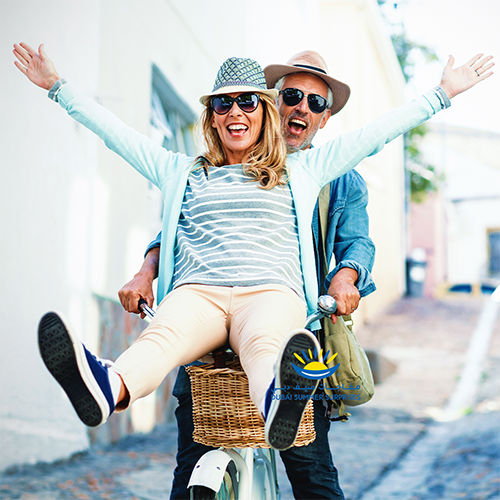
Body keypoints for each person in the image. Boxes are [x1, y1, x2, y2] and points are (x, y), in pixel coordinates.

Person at [13, 41, 493, 455]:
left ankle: (277, 407)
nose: (235, 113)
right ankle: (106, 388)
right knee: (160, 339)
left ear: (264, 112)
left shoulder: (303, 171)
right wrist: (57, 87)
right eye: (223, 105)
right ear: (212, 117)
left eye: (247, 102)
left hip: (268, 292)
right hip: (198, 294)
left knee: (267, 346)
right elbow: (115, 134)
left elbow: (377, 135)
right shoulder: (180, 171)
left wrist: (442, 93)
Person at [119, 50, 375, 500]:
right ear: (271, 103)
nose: (302, 108)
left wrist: (347, 276)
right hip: (206, 325)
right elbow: (181, 229)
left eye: (316, 103)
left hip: (289, 326)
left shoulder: (338, 177)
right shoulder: (220, 167)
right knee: (190, 474)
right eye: (292, 96)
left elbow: (357, 243)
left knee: (313, 477)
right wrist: (146, 271)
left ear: (325, 118)